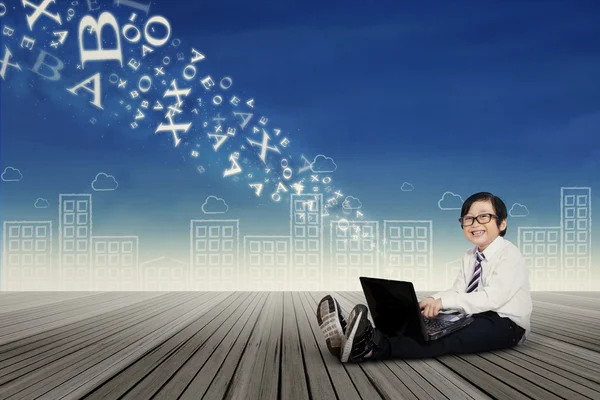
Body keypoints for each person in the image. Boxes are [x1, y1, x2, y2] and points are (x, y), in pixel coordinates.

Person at [317, 192, 532, 362]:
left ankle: (369, 348)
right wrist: (432, 300)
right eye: (468, 218)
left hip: (506, 324)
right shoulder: (470, 256)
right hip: (475, 314)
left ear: (502, 223)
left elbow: (492, 298)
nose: (475, 223)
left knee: (447, 337)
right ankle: (351, 337)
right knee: (425, 323)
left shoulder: (509, 254)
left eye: (483, 216)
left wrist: (444, 302)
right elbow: (458, 291)